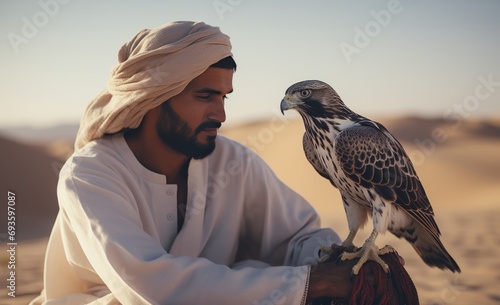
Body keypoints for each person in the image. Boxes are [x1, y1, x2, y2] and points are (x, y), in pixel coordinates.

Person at [31, 21, 365, 305]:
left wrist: (336, 267)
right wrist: (309, 284)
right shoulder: (90, 174)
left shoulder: (234, 161)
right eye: (204, 97)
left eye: (224, 98)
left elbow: (299, 235)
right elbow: (151, 287)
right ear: (153, 97)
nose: (220, 115)